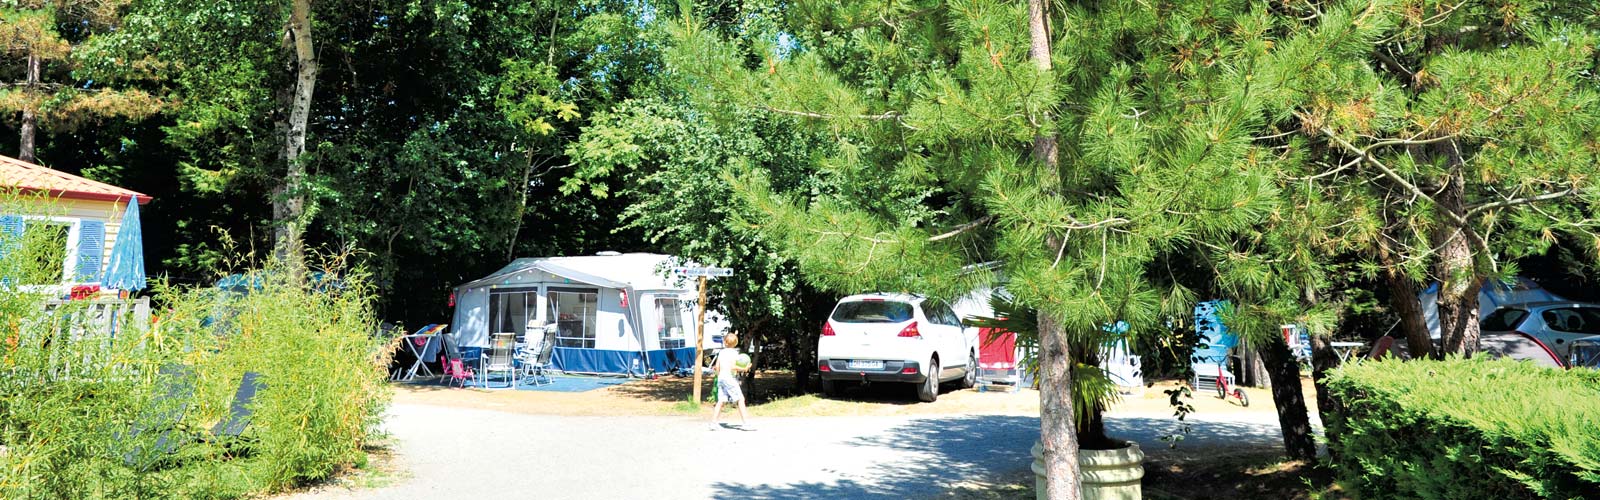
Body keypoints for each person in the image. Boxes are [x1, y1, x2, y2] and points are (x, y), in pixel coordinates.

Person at [708, 332, 753, 430]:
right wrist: (745, 368)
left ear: (724, 342)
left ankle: (713, 423)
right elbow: (733, 367)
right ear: (736, 343)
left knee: (721, 401)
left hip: (721, 378)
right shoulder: (734, 353)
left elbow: (717, 367)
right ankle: (746, 423)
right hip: (730, 379)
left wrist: (718, 377)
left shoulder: (721, 352)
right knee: (740, 399)